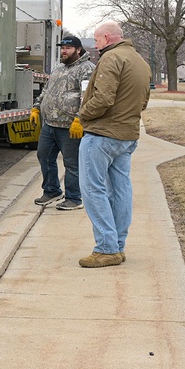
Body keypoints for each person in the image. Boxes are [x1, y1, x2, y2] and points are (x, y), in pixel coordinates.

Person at [77, 22, 151, 268]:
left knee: (93, 190)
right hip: (127, 135)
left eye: (96, 41)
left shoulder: (111, 59)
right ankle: (117, 246)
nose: (95, 46)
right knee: (121, 188)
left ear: (106, 38)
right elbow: (143, 102)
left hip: (102, 134)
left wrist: (82, 115)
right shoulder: (140, 62)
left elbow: (103, 98)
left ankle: (107, 248)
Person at [30, 34, 95, 210]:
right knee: (44, 156)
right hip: (50, 124)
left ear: (78, 50)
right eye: (62, 48)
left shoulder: (87, 69)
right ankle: (51, 191)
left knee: (71, 163)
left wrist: (79, 119)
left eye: (67, 48)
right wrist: (37, 107)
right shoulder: (58, 68)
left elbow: (87, 97)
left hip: (70, 126)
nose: (63, 51)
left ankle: (74, 198)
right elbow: (46, 91)